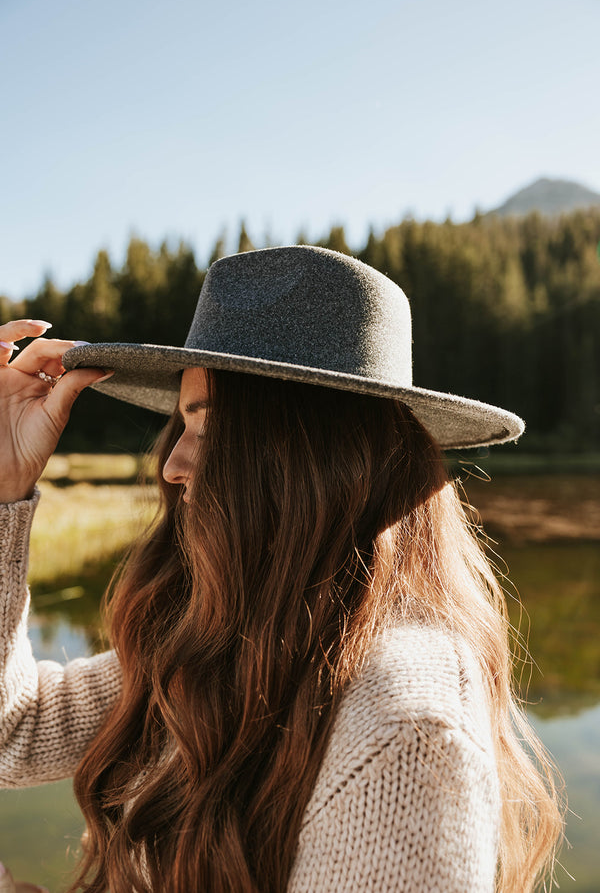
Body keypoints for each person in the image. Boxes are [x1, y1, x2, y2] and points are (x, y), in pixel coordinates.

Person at [0, 246, 561, 892]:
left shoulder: (405, 726)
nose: (174, 466)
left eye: (207, 429)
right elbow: (15, 731)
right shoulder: (232, 633)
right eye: (181, 425)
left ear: (312, 453)